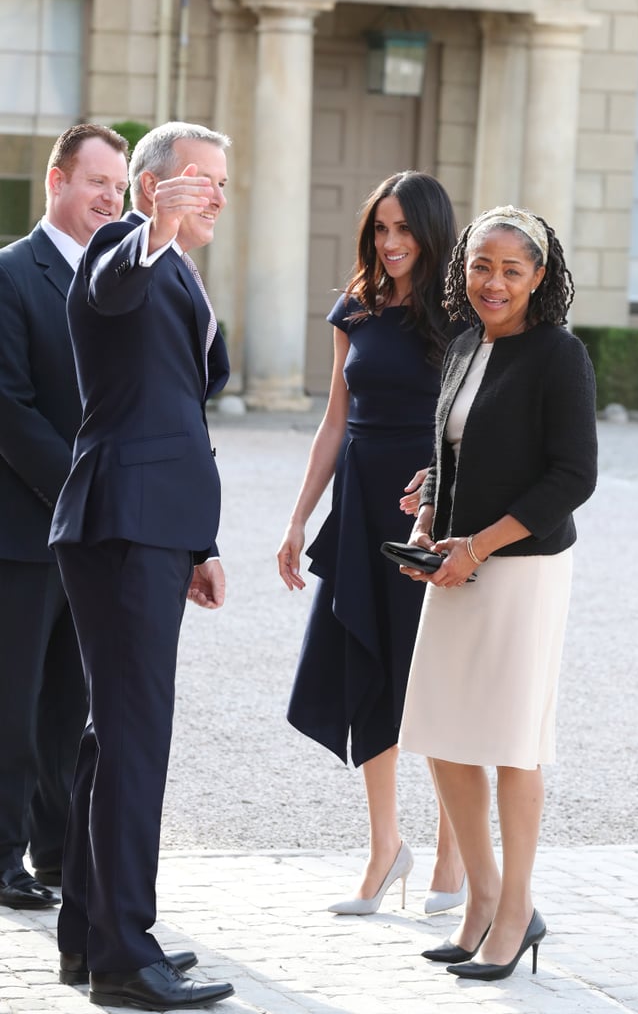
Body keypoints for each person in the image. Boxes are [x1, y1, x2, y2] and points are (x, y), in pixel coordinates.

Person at [49, 122, 234, 1010]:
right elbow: (114, 287)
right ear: (158, 187)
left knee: (109, 737)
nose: (219, 198)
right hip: (119, 523)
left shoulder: (184, 274)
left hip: (152, 529)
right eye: (205, 182)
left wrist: (197, 543)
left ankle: (91, 937)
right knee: (134, 740)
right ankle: (126, 953)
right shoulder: (123, 248)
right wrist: (153, 225)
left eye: (225, 184)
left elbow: (177, 409)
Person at [399, 205, 597, 980]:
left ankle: (516, 909)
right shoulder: (459, 345)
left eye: (512, 270)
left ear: (539, 278)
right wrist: (426, 517)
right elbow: (451, 452)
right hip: (449, 562)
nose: (493, 282)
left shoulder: (559, 357)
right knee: (442, 733)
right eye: (482, 265)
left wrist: (476, 544)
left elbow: (572, 476)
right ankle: (480, 900)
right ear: (464, 268)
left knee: (512, 741)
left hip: (520, 569)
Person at [277, 171, 466, 915]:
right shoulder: (353, 307)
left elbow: (477, 420)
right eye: (379, 229)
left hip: (431, 508)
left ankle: (454, 849)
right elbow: (333, 420)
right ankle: (385, 849)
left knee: (439, 677)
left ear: (430, 232)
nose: (389, 243)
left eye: (403, 230)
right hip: (359, 506)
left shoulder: (461, 313)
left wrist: (445, 481)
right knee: (369, 669)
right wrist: (297, 519)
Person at [0, 124, 129, 910]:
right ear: (56, 181)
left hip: (93, 536)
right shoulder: (12, 273)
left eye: (116, 188)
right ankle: (1, 855)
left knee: (69, 708)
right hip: (21, 529)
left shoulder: (117, 278)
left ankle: (56, 852)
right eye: (95, 183)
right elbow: (8, 408)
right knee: (11, 701)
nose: (107, 199)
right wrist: (78, 490)